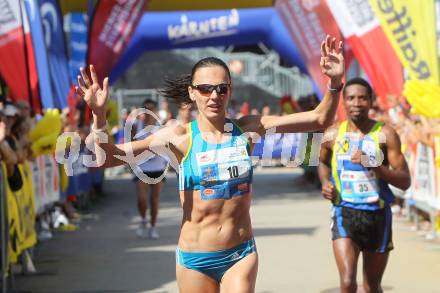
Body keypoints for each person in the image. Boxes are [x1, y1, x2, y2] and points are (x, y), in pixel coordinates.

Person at [75, 35, 344, 293]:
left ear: (230, 91)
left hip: (240, 253)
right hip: (195, 259)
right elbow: (106, 158)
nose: (213, 95)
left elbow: (320, 120)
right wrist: (99, 116)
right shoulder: (178, 137)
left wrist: (334, 82)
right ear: (192, 93)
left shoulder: (249, 128)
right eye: (205, 89)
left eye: (221, 88)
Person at [318, 77, 411, 293]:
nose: (356, 103)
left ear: (371, 101)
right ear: (343, 102)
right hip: (344, 213)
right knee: (348, 281)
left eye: (362, 98)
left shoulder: (385, 134)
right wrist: (325, 182)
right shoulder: (332, 134)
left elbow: (405, 180)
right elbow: (322, 162)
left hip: (377, 216)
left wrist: (377, 167)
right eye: (351, 98)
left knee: (372, 286)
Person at [132, 99, 168, 239]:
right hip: (142, 167)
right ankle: (142, 220)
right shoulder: (137, 126)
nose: (149, 112)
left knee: (154, 200)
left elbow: (167, 147)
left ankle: (153, 227)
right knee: (141, 199)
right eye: (146, 109)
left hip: (158, 167)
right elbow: (131, 145)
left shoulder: (160, 127)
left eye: (151, 108)